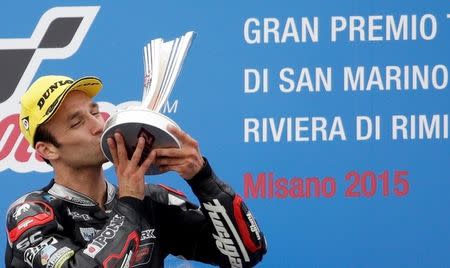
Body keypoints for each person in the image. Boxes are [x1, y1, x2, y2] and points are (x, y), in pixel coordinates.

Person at [5, 75, 267, 267]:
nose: (97, 126)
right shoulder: (32, 214)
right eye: (77, 122)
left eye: (94, 112)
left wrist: (202, 178)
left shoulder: (152, 201)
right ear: (48, 149)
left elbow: (246, 253)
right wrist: (129, 203)